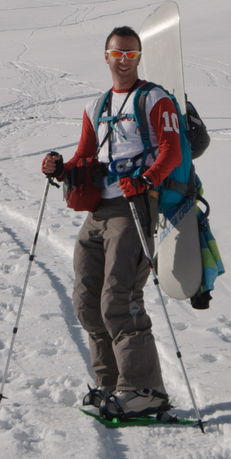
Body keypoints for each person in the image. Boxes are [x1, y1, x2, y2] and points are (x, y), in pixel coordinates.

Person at [42, 25, 183, 419]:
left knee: (118, 299)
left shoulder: (154, 99)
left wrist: (146, 180)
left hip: (134, 209)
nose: (124, 61)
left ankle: (144, 389)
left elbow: (171, 151)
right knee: (87, 301)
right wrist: (59, 169)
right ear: (105, 56)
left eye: (131, 54)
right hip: (98, 212)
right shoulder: (97, 105)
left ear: (139, 57)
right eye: (117, 53)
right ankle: (109, 384)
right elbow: (85, 157)